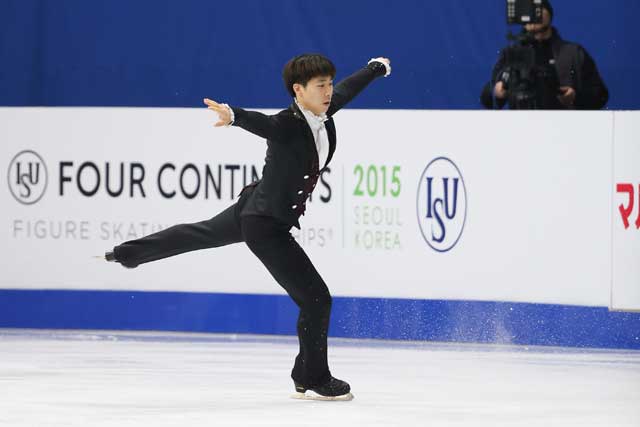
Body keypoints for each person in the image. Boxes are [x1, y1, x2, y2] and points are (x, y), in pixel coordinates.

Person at [103, 54, 391, 401]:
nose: (329, 91)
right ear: (299, 91)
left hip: (253, 206)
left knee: (200, 233)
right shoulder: (287, 123)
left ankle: (127, 254)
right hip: (265, 224)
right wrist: (234, 116)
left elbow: (348, 89)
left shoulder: (324, 109)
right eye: (320, 86)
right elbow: (263, 124)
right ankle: (313, 376)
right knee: (316, 299)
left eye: (329, 83)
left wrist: (375, 68)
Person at [481, 0, 608, 110]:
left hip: (565, 128)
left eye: (537, 7)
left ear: (549, 14)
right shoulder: (511, 53)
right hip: (521, 128)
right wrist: (497, 92)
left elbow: (600, 96)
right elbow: (487, 99)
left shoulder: (574, 53)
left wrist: (575, 97)